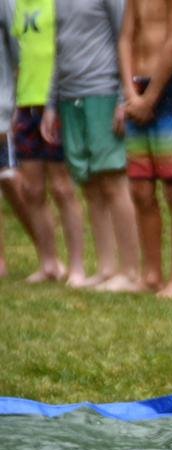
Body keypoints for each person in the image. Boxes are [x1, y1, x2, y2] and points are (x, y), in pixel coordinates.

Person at [42, 0, 144, 293]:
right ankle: (106, 267)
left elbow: (125, 39)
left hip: (102, 92)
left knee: (112, 181)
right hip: (68, 98)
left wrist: (125, 97)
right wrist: (51, 105)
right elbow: (59, 51)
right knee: (89, 183)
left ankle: (131, 271)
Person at [118, 0, 172, 298]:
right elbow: (126, 36)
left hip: (169, 88)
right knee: (140, 189)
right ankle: (151, 273)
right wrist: (130, 91)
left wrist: (150, 98)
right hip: (136, 88)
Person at [11, 0, 88, 286]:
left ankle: (78, 266)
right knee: (32, 188)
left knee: (62, 186)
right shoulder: (18, 6)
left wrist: (57, 98)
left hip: (56, 101)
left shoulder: (58, 4)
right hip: (25, 102)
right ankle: (49, 262)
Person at [0, 0, 34, 279]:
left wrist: (18, 106)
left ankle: (45, 247)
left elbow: (21, 52)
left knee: (10, 180)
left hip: (2, 106)